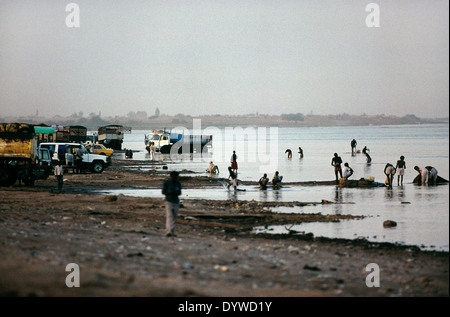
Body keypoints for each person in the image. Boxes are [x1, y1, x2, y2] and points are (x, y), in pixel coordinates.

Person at [162, 171, 182, 237]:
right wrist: (169, 192)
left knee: (175, 217)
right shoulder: (167, 183)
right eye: (174, 177)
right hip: (169, 201)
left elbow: (180, 192)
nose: (175, 178)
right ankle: (169, 231)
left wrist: (175, 192)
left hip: (176, 201)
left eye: (176, 177)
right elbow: (163, 192)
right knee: (169, 216)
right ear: (171, 176)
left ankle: (172, 231)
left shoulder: (178, 183)